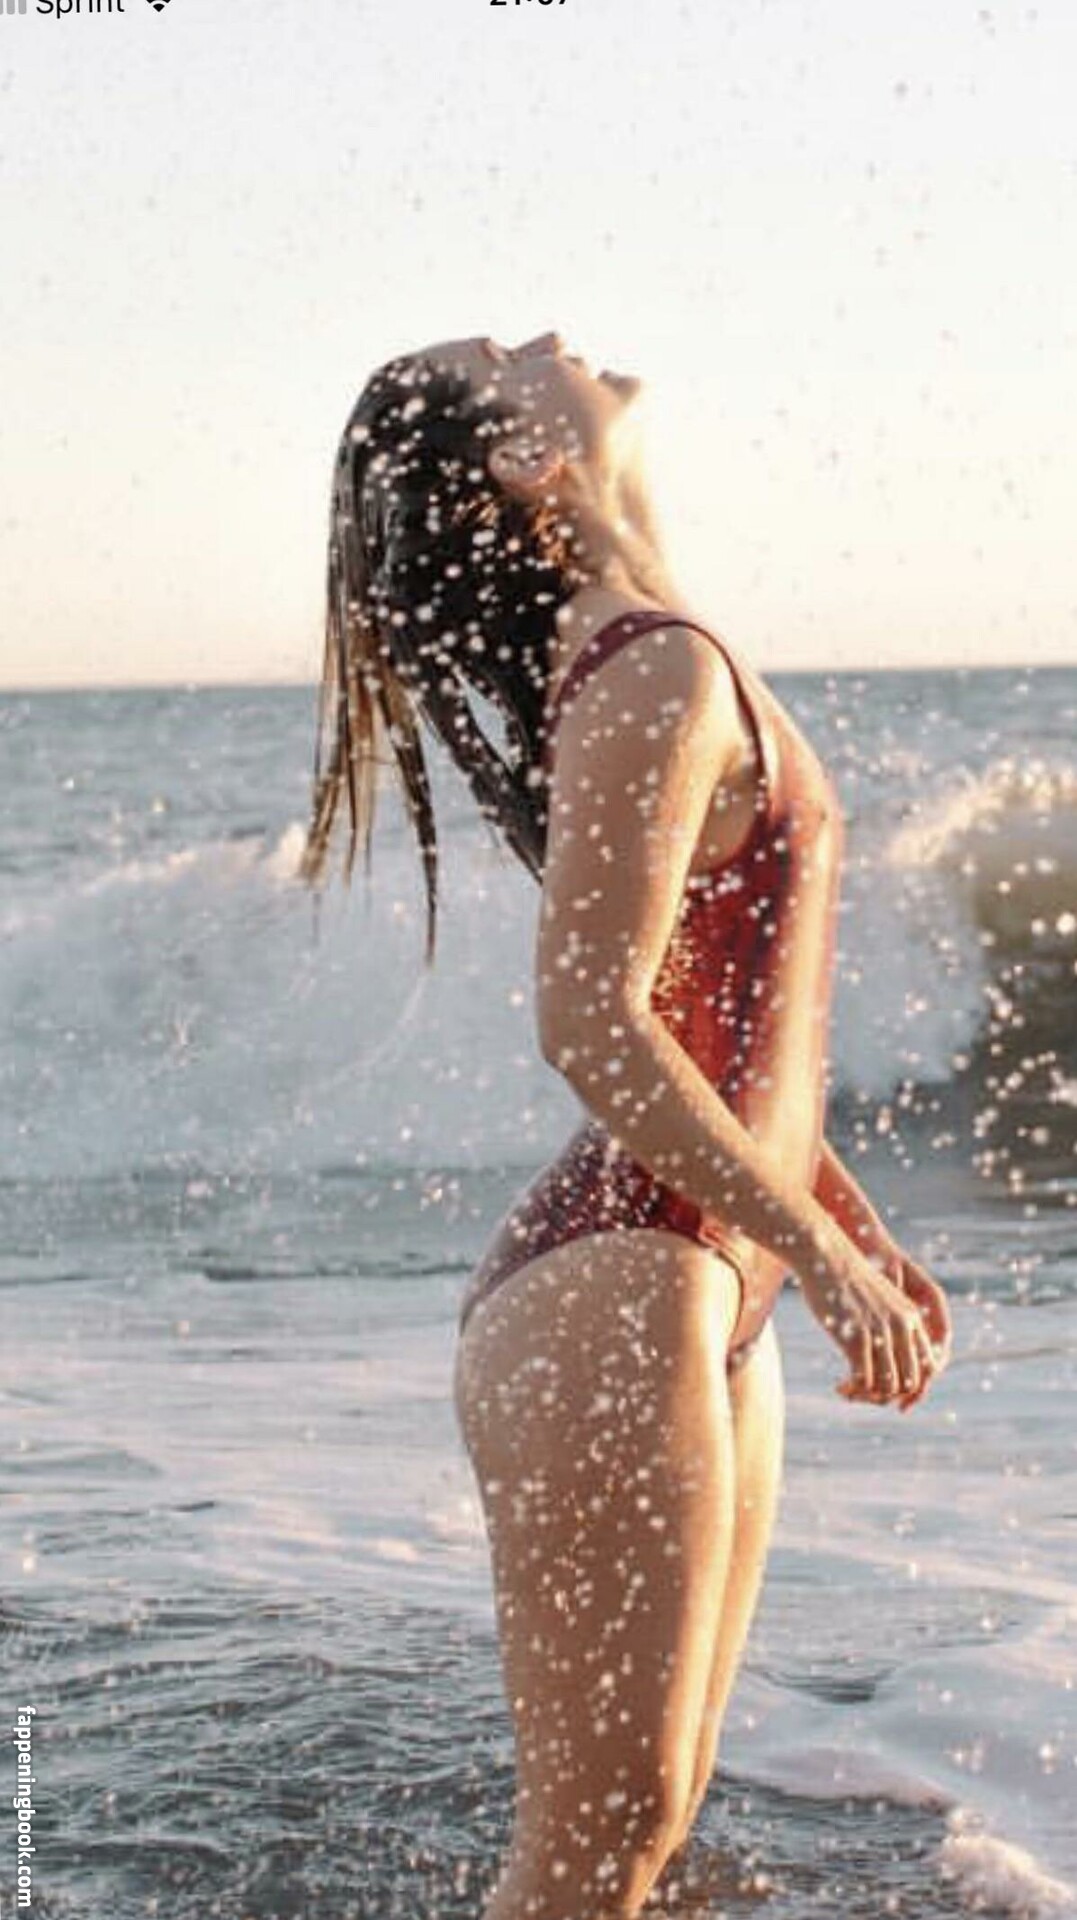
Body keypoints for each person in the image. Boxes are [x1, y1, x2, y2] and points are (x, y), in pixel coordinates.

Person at [300, 331, 954, 1920]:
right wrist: (814, 1252)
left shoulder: (650, 653)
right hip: (620, 1279)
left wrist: (839, 1224)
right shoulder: (647, 667)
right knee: (598, 1848)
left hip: (696, 1276)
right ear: (527, 463)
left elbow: (720, 1022)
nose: (548, 341)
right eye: (507, 355)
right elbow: (590, 1020)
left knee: (650, 1836)